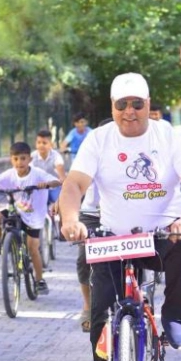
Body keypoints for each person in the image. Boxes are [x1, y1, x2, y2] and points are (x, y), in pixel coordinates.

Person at [59, 72, 181, 361]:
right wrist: (71, 219)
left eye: (137, 104)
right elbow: (74, 184)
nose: (130, 111)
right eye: (122, 104)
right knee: (101, 320)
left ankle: (174, 316)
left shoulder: (167, 136)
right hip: (114, 239)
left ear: (148, 104)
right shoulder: (99, 139)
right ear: (113, 106)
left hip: (162, 237)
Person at [0, 141, 61, 294]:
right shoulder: (10, 174)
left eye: (23, 158)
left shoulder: (37, 173)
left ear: (29, 159)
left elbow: (57, 181)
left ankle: (39, 280)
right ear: (11, 160)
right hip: (17, 209)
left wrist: (45, 184)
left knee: (33, 248)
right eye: (16, 159)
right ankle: (6, 243)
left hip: (34, 215)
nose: (20, 162)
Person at [75, 117, 113, 334]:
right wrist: (64, 205)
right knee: (83, 259)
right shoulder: (89, 154)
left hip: (122, 216)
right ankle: (88, 306)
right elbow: (74, 184)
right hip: (91, 214)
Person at [31, 129, 66, 204]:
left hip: (53, 187)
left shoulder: (56, 156)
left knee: (60, 203)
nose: (41, 145)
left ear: (51, 144)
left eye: (44, 143)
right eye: (39, 142)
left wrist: (61, 180)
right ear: (35, 144)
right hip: (38, 188)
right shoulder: (32, 156)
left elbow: (62, 175)